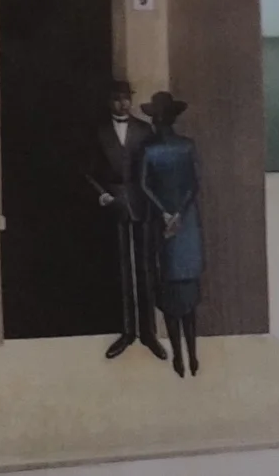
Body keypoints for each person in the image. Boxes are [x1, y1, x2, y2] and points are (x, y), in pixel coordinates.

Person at [89, 78, 164, 360]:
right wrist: (102, 194)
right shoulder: (98, 132)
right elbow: (88, 172)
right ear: (109, 101)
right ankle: (127, 332)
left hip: (143, 203)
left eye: (126, 98)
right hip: (115, 204)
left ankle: (149, 334)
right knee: (122, 271)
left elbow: (154, 170)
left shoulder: (145, 131)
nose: (123, 103)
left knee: (145, 268)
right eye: (117, 98)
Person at [138, 90, 206, 378]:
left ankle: (182, 355)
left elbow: (144, 186)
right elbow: (194, 185)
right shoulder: (186, 146)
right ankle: (189, 355)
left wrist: (165, 213)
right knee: (183, 292)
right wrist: (178, 213)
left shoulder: (150, 150)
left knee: (170, 290)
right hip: (185, 224)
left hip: (169, 225)